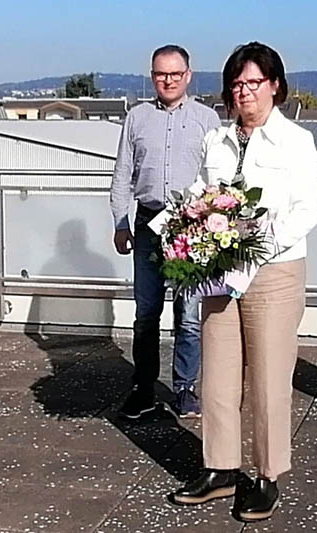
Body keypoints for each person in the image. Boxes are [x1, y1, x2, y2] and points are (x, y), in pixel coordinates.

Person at [171, 42, 317, 522]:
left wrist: (258, 243)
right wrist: (191, 229)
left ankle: (267, 474)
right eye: (236, 84)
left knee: (269, 378)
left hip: (273, 273)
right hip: (219, 272)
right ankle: (220, 467)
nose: (244, 92)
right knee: (216, 375)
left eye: (253, 83)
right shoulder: (216, 140)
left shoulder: (296, 141)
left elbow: (308, 209)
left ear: (275, 86)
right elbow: (200, 192)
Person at [109, 45, 221, 419]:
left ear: (189, 75)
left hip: (190, 226)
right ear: (152, 76)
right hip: (146, 223)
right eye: (161, 74)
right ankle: (143, 387)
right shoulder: (136, 118)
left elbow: (219, 178)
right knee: (146, 312)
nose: (168, 80)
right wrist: (120, 222)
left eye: (175, 74)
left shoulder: (208, 120)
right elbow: (123, 174)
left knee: (188, 314)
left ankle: (186, 388)